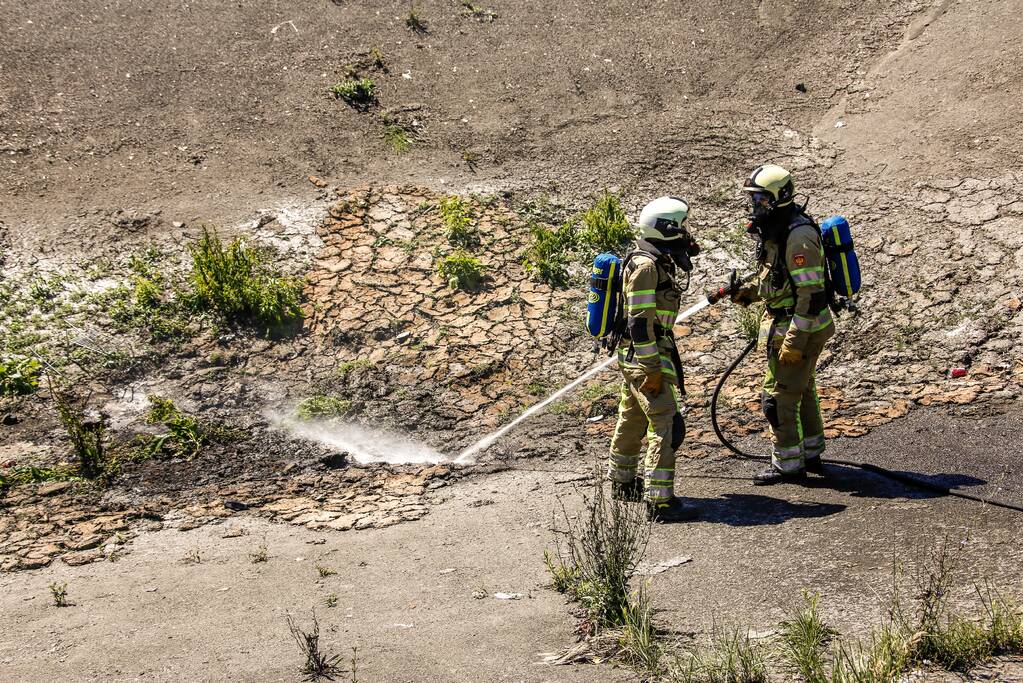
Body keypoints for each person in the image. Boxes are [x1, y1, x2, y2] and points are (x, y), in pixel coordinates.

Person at [729, 165, 835, 485]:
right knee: (800, 391)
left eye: (761, 199)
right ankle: (811, 451)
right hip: (789, 323)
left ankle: (788, 464)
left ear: (779, 198)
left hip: (799, 327)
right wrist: (747, 295)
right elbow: (777, 282)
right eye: (754, 199)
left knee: (777, 399)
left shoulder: (798, 236)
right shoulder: (776, 229)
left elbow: (811, 296)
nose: (756, 205)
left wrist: (793, 340)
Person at [607, 196, 700, 521]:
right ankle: (660, 501)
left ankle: (622, 482)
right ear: (666, 229)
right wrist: (652, 370)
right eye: (681, 227)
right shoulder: (646, 267)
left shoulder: (651, 259)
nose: (686, 232)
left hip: (636, 354)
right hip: (644, 355)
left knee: (633, 415)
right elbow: (639, 323)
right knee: (666, 422)